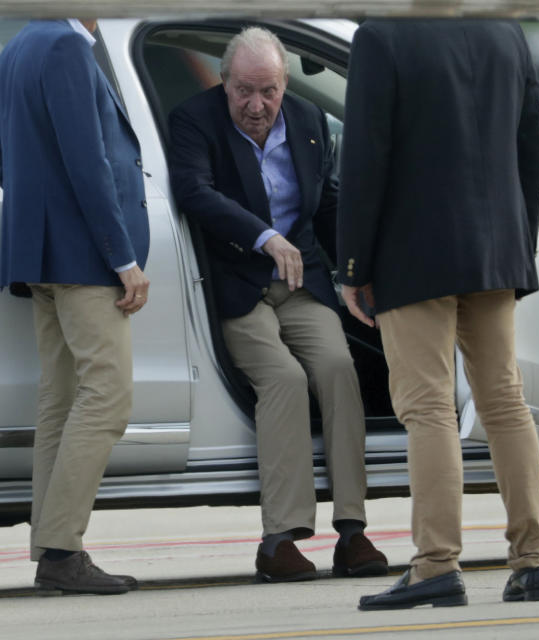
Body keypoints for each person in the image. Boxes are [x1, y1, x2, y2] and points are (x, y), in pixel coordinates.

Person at [336, 19, 539, 610]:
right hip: (497, 246)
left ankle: (436, 564)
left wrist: (352, 264)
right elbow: (530, 142)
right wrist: (518, 243)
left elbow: (364, 155)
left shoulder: (383, 36)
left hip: (415, 252)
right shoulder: (505, 31)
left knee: (427, 407)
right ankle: (530, 561)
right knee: (505, 401)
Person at [168, 27, 388, 583]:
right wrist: (264, 236)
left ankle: (353, 531)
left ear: (284, 84)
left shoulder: (310, 123)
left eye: (267, 91)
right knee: (284, 379)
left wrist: (360, 271)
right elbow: (195, 192)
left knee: (340, 369)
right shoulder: (194, 120)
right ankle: (280, 538)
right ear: (224, 82)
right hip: (238, 286)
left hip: (302, 284)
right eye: (243, 90)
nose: (256, 104)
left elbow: (330, 204)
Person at [0, 19, 150, 595]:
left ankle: (54, 548)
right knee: (108, 394)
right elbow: (90, 164)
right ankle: (61, 547)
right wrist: (122, 257)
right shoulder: (64, 46)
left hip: (42, 254)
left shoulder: (16, 47)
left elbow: (6, 164)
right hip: (84, 257)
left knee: (60, 400)